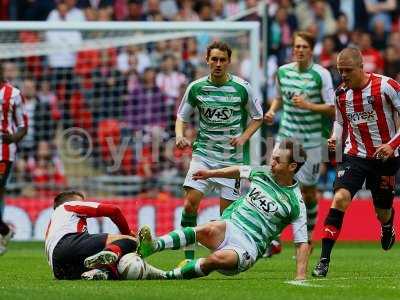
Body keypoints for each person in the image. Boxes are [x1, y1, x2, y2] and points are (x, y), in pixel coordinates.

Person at [133, 139, 309, 280]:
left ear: (292, 166)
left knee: (216, 260)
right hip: (230, 226)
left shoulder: (295, 204)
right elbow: (239, 170)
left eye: (278, 160)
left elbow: (302, 243)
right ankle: (153, 246)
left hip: (248, 246)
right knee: (207, 228)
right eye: (272, 157)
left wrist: (300, 276)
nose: (272, 162)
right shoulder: (262, 172)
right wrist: (210, 174)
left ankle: (164, 276)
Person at [312, 47, 400, 277]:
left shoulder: (386, 86)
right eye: (340, 71)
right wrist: (334, 137)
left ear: (362, 67)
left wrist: (392, 145)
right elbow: (340, 122)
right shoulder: (341, 94)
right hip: (355, 155)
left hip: (385, 157)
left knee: (382, 212)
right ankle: (323, 260)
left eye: (348, 70)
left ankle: (387, 225)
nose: (344, 75)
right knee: (340, 198)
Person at [175, 41, 263, 260]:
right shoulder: (196, 87)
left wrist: (243, 137)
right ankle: (189, 257)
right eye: (214, 59)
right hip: (203, 154)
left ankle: (225, 256)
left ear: (229, 62)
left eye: (222, 60)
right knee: (189, 204)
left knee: (226, 217)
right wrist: (179, 135)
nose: (218, 64)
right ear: (207, 60)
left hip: (230, 161)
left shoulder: (242, 87)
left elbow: (258, 117)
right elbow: (181, 117)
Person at [264, 31, 335, 254]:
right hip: (286, 136)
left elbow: (332, 107)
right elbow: (278, 97)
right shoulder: (282, 72)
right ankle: (273, 240)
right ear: (292, 49)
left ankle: (307, 238)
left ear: (311, 49)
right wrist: (272, 110)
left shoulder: (321, 74)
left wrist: (308, 106)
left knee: (308, 193)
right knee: (273, 185)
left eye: (304, 46)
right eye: (297, 46)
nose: (300, 50)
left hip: (312, 141)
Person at [45, 190, 137, 280]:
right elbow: (114, 211)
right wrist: (127, 233)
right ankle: (110, 253)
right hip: (70, 243)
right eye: (81, 202)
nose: (83, 204)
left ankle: (100, 270)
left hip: (59, 270)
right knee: (131, 241)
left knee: (114, 272)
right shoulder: (68, 205)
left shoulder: (53, 225)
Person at [0, 65, 28, 255]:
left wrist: (13, 138)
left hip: (3, 152)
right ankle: (5, 231)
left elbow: (23, 125)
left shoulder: (14, 94)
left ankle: (2, 234)